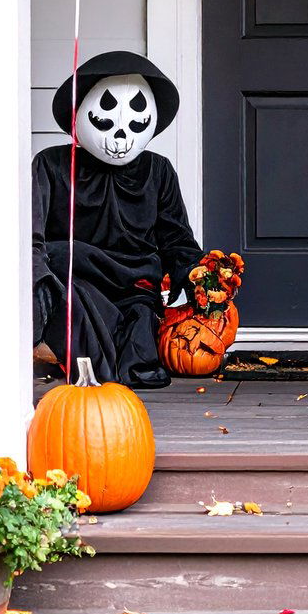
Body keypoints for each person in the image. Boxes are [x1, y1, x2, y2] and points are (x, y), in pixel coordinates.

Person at [32, 51, 202, 389]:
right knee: (75, 305)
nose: (120, 135)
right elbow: (29, 237)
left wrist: (201, 277)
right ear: (79, 113)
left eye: (135, 122)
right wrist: (39, 283)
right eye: (107, 118)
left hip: (134, 286)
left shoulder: (158, 170)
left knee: (139, 349)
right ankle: (88, 372)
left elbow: (176, 239)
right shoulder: (51, 165)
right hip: (74, 277)